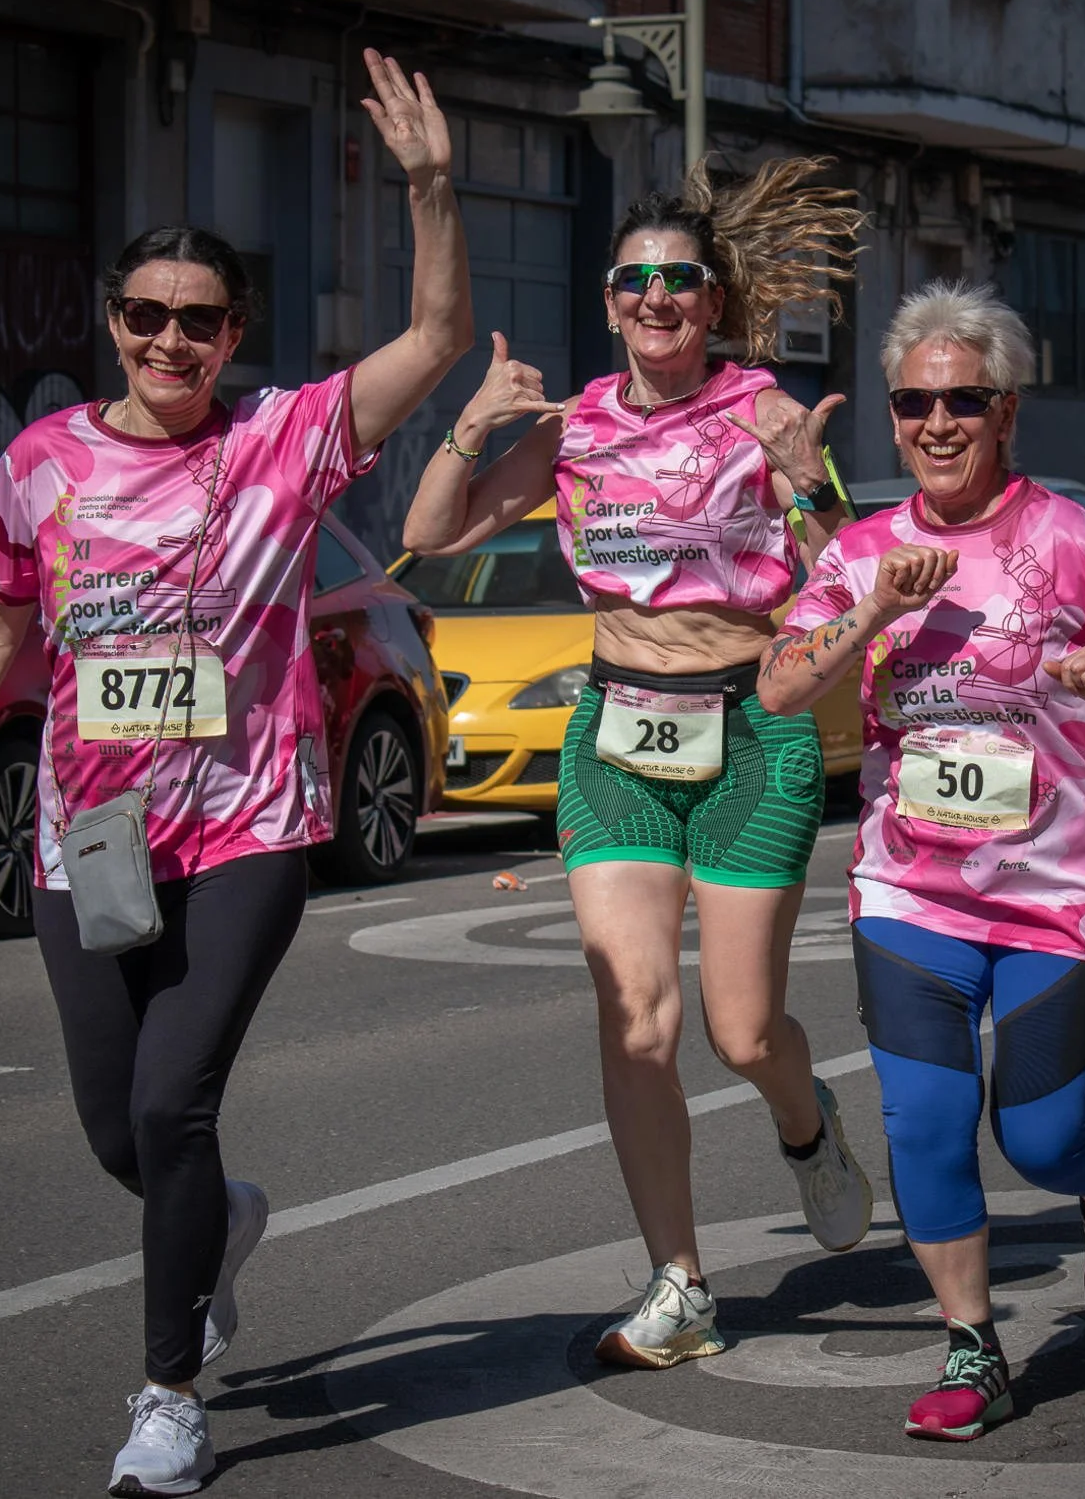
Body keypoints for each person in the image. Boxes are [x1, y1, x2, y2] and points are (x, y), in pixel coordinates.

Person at [0, 50, 471, 1497]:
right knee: (119, 1124)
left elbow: (437, 331)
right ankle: (220, 1220)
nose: (171, 341)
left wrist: (434, 187)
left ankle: (170, 1394)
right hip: (92, 837)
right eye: (146, 316)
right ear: (114, 325)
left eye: (199, 320)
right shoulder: (42, 462)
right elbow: (0, 624)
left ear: (232, 332)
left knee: (172, 1101)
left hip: (250, 825)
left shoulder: (280, 444)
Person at [402, 156, 873, 1369]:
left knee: (742, 1030)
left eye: (680, 280)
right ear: (608, 301)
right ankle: (681, 1284)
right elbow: (428, 532)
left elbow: (850, 563)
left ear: (714, 300)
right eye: (634, 282)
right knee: (635, 1024)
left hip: (750, 732)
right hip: (616, 732)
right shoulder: (575, 429)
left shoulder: (768, 409)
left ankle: (807, 1124)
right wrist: (474, 419)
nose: (657, 298)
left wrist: (803, 479)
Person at [758, 279, 1085, 1441]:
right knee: (923, 1120)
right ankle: (973, 1346)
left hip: (1061, 899)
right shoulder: (866, 552)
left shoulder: (1069, 540)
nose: (937, 423)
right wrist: (871, 613)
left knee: (1040, 1138)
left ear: (1007, 410)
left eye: (963, 399)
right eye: (914, 402)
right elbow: (777, 686)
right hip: (909, 892)